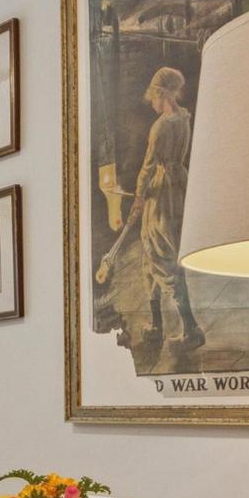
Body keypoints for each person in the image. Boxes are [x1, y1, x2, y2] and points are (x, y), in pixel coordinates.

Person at [95, 66, 205, 354]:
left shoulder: (161, 126)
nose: (152, 103)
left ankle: (191, 329)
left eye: (154, 97)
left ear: (161, 93)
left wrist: (139, 196)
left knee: (161, 254)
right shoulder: (184, 118)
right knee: (151, 254)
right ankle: (156, 326)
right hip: (177, 185)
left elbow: (147, 166)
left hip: (161, 191)